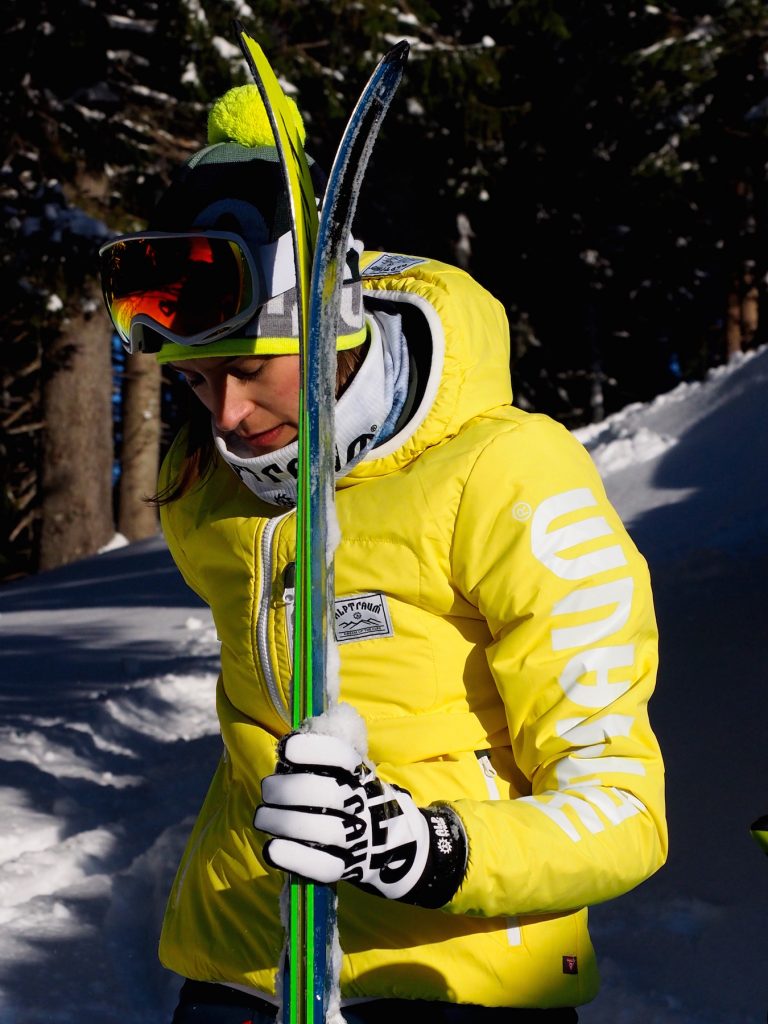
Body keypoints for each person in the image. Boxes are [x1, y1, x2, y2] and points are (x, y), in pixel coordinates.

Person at [99, 79, 667, 1024]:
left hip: (455, 975)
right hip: (245, 964)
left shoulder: (507, 472)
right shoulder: (207, 485)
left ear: (334, 320)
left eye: (248, 369)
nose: (227, 415)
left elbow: (623, 810)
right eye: (194, 382)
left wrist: (421, 848)